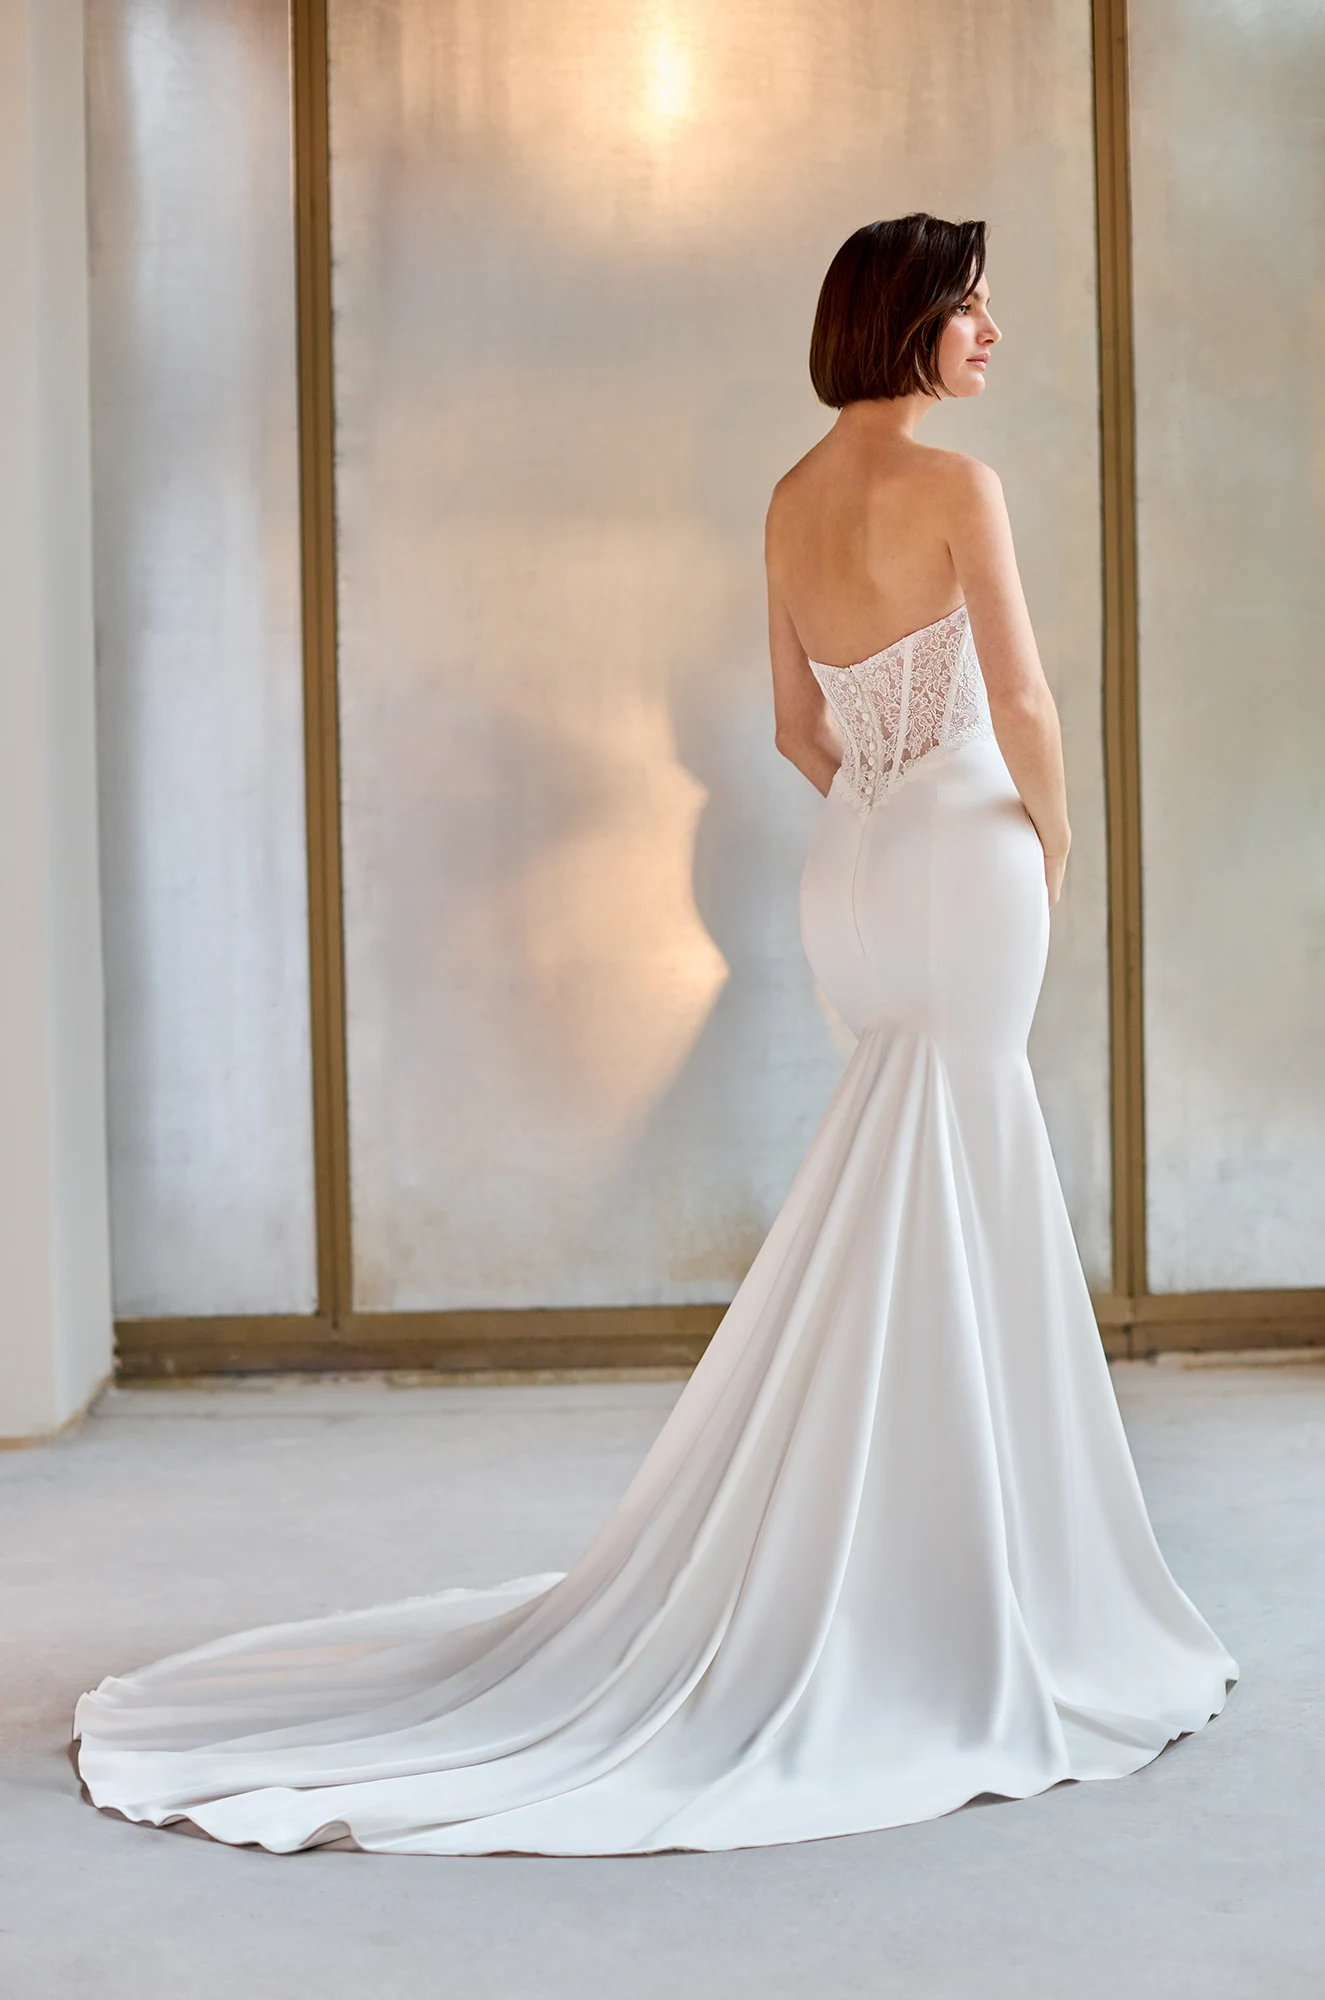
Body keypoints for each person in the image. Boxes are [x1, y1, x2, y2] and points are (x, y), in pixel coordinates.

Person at [73, 214, 1236, 1857]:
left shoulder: (788, 500)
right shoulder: (958, 491)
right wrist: (1049, 843)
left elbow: (792, 727)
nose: (993, 336)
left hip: (863, 865)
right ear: (905, 322)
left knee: (905, 1173)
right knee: (964, 1170)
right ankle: (980, 1577)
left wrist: (885, 820)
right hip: (967, 846)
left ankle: (912, 1544)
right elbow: (1028, 705)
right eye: (974, 311)